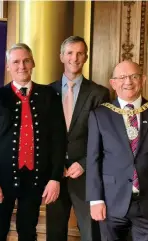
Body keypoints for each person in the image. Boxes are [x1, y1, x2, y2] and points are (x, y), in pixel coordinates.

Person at [0, 43, 66, 241]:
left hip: (35, 179)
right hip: (1, 179)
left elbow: (59, 140)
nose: (22, 66)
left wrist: (55, 178)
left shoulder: (49, 96)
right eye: (16, 62)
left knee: (28, 232)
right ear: (8, 66)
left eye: (26, 60)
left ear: (33, 63)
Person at [86, 60, 148, 240]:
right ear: (113, 83)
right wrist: (95, 199)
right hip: (110, 202)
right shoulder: (100, 115)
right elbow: (93, 160)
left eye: (134, 76)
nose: (128, 82)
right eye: (122, 77)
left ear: (143, 80)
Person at [47, 36, 109, 241]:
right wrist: (54, 167)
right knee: (55, 233)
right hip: (55, 176)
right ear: (61, 57)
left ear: (86, 57)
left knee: (91, 233)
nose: (75, 58)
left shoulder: (99, 93)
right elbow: (44, 136)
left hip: (85, 175)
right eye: (70, 53)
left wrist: (83, 164)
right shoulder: (47, 92)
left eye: (80, 53)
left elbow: (104, 137)